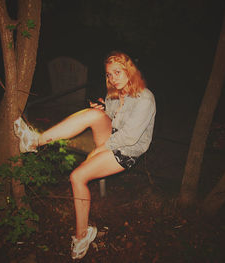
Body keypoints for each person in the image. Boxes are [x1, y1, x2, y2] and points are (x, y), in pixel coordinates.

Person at [13, 51, 156, 259]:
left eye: (117, 72)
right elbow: (112, 120)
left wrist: (101, 148)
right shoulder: (114, 94)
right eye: (109, 74)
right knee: (93, 114)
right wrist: (103, 110)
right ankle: (34, 140)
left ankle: (83, 236)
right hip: (113, 139)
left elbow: (130, 138)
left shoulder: (145, 98)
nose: (113, 78)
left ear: (129, 70)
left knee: (77, 177)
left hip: (126, 151)